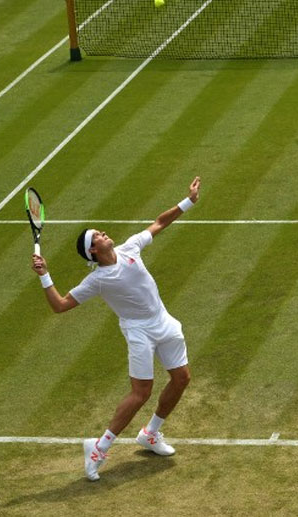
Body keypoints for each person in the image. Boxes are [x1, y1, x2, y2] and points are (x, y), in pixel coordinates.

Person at [31, 177, 201, 481]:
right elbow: (59, 305)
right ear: (93, 251)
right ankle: (99, 447)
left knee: (182, 377)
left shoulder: (130, 247)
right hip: (139, 333)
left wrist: (189, 201)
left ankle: (150, 434)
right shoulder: (97, 280)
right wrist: (45, 275)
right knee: (141, 393)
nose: (104, 234)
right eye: (98, 236)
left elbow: (159, 223)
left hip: (164, 322)